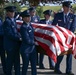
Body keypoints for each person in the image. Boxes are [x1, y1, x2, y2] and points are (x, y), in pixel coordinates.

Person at [52, 1, 76, 75]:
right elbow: (54, 25)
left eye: (69, 7)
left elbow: (73, 27)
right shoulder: (58, 15)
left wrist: (68, 35)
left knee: (69, 54)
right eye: (67, 7)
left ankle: (68, 70)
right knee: (61, 53)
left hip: (69, 38)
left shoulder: (73, 16)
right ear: (64, 7)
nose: (69, 9)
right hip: (60, 38)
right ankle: (57, 68)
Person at [3, 6, 22, 75]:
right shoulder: (6, 22)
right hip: (10, 45)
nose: (13, 13)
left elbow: (16, 31)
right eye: (11, 12)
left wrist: (19, 36)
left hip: (15, 45)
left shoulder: (13, 20)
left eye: (13, 12)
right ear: (7, 13)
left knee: (17, 61)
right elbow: (9, 34)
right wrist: (19, 38)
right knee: (10, 62)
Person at [20, 10, 37, 75]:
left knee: (34, 65)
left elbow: (33, 35)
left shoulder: (30, 25)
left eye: (29, 16)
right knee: (25, 65)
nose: (29, 18)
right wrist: (34, 43)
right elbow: (26, 39)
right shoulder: (23, 27)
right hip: (26, 50)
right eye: (27, 17)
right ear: (23, 18)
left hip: (32, 49)